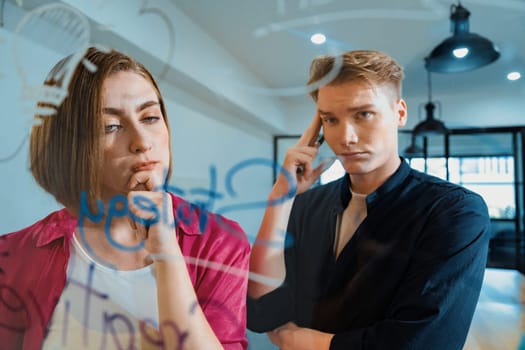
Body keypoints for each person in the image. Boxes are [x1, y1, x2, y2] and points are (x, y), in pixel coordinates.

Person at [0, 47, 250, 349]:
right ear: (68, 145)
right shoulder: (12, 256)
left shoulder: (220, 243)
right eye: (111, 126)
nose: (142, 142)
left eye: (150, 117)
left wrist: (167, 251)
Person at [247, 50, 491, 349]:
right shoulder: (306, 205)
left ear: (399, 113)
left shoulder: (453, 211)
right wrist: (280, 198)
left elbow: (422, 342)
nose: (346, 137)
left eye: (363, 114)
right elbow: (262, 313)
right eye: (330, 119)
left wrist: (304, 343)